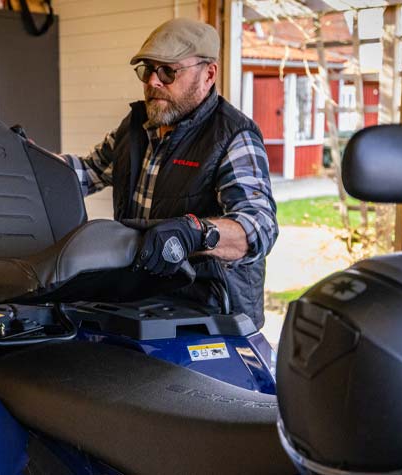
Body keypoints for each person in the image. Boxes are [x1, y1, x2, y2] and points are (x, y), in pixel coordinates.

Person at [62, 18, 278, 327]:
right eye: (147, 70)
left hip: (212, 315)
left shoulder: (233, 136)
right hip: (143, 302)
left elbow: (259, 226)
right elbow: (86, 171)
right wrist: (29, 161)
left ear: (208, 74)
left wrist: (196, 233)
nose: (153, 81)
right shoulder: (135, 127)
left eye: (168, 71)